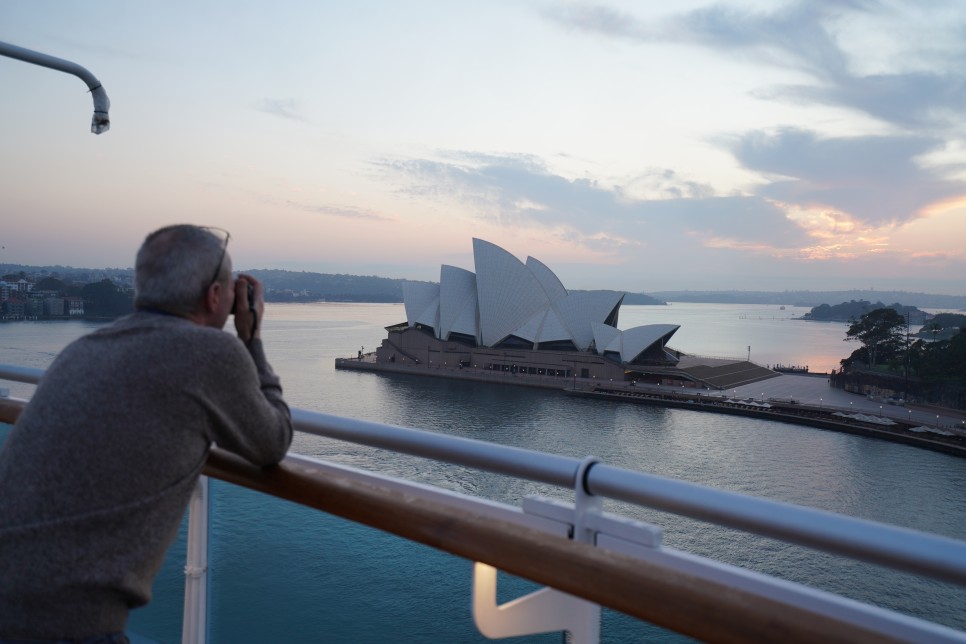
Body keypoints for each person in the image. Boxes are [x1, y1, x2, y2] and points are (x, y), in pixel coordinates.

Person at [0, 225, 293, 641]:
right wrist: (252, 339)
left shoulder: (83, 349)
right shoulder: (211, 353)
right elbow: (273, 441)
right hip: (64, 625)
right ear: (215, 297)